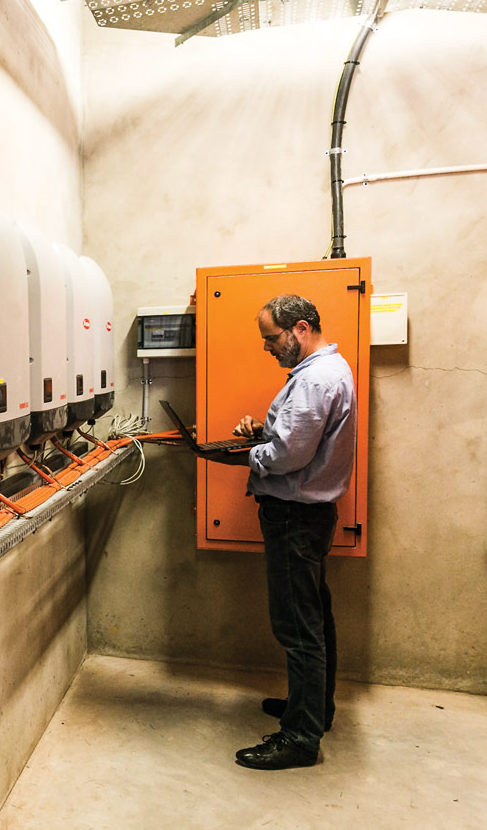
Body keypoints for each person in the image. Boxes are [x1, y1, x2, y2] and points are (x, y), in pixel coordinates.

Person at [203, 294, 355, 770]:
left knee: (298, 626)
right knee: (314, 614)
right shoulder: (328, 372)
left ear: (301, 328)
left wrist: (240, 455)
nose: (268, 347)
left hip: (295, 516)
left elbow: (291, 455)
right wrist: (260, 433)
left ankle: (300, 738)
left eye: (272, 338)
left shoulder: (315, 379)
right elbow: (293, 438)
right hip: (309, 515)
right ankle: (314, 709)